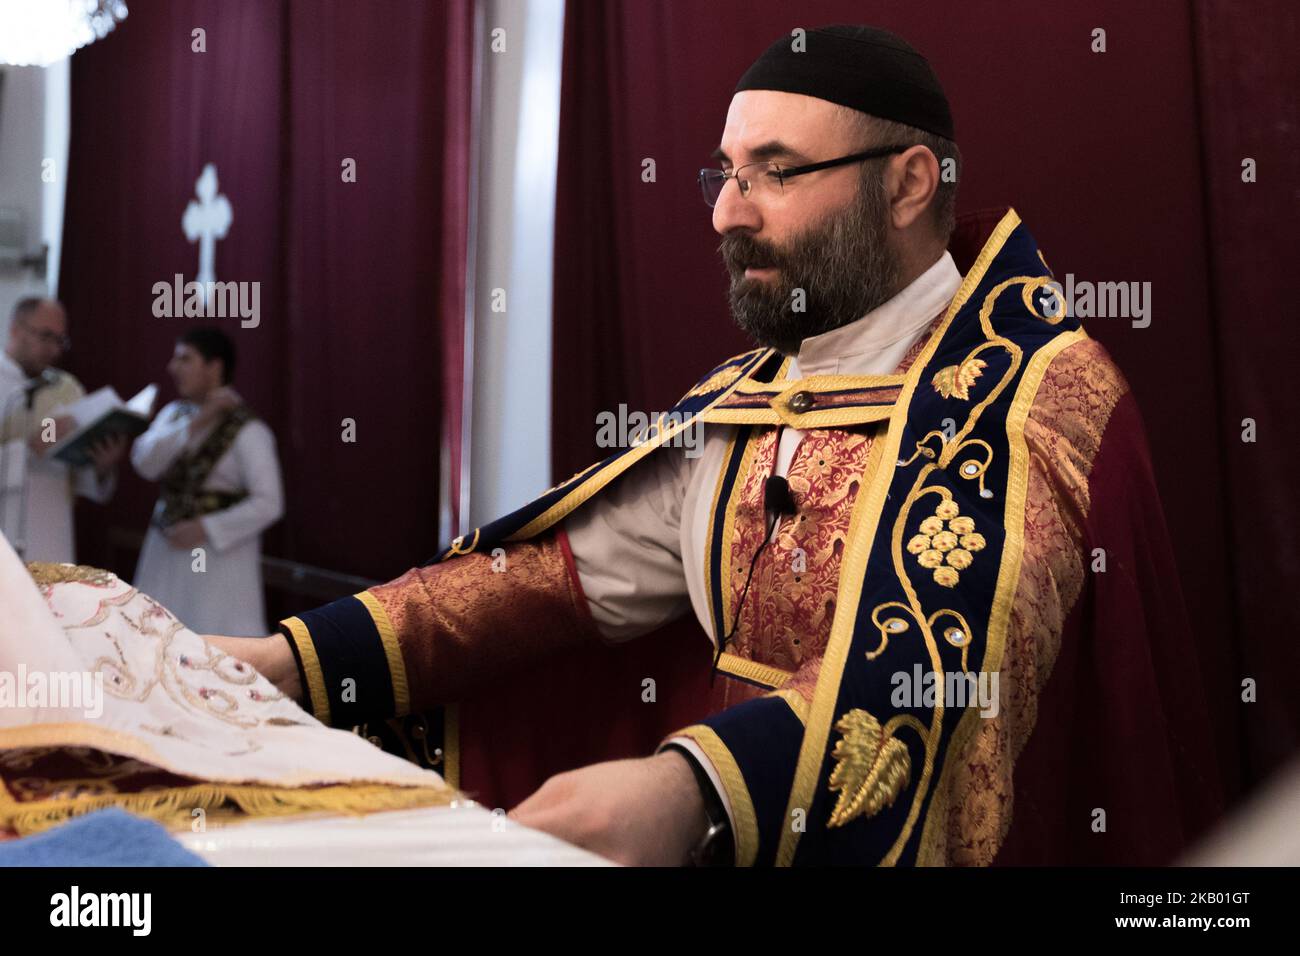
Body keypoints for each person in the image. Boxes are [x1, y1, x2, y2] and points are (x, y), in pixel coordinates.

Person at [210, 25, 1220, 866]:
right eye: (724, 173)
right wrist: (295, 658)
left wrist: (687, 785)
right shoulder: (744, 397)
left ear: (909, 182)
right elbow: (554, 574)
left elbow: (947, 670)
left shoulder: (1042, 393)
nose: (726, 213)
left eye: (774, 173)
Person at [132, 327, 283, 636]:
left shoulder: (249, 430)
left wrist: (206, 528)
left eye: (185, 359)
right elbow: (144, 462)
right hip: (164, 552)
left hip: (219, 562)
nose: (173, 368)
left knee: (212, 648)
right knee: (155, 640)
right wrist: (198, 421)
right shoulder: (174, 414)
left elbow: (270, 502)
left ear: (214, 367)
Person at [0, 297, 124, 562]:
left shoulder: (68, 389)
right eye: (46, 337)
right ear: (15, 329)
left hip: (53, 525)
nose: (54, 350)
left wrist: (101, 468)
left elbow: (78, 477)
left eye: (60, 340)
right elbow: (36, 445)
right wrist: (28, 449)